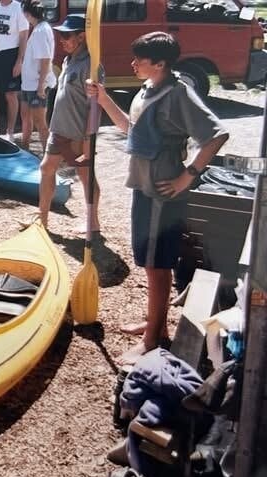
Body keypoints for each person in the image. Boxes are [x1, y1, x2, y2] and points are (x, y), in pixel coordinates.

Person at [87, 32, 228, 364]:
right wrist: (103, 99)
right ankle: (156, 324)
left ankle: (152, 340)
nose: (133, 63)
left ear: (161, 63)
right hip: (144, 185)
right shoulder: (148, 89)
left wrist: (187, 176)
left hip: (163, 191)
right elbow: (130, 130)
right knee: (151, 262)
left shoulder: (179, 93)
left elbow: (216, 135)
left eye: (140, 59)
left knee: (158, 264)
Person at [38, 14, 100, 232]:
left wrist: (87, 139)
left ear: (81, 37)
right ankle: (42, 221)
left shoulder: (92, 66)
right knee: (46, 168)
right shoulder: (67, 60)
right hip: (59, 129)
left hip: (77, 133)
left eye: (66, 36)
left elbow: (95, 106)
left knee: (85, 176)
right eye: (61, 35)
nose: (61, 40)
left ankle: (93, 223)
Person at [0, 0, 28, 139]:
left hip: (11, 53)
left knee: (10, 94)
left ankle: (10, 131)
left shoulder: (18, 8)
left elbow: (23, 36)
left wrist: (19, 61)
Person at [19, 0, 56, 150]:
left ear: (27, 14)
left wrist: (41, 85)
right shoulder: (39, 28)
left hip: (36, 84)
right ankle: (24, 147)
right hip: (28, 83)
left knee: (40, 122)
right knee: (25, 116)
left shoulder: (41, 31)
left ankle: (49, 154)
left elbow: (45, 60)